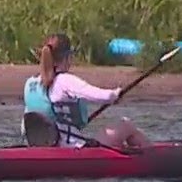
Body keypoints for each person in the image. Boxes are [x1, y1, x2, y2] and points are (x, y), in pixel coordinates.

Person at [22, 33, 150, 148]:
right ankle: (155, 155)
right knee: (125, 125)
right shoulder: (65, 81)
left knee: (118, 140)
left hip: (41, 147)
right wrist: (115, 94)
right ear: (67, 57)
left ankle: (137, 152)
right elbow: (100, 95)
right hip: (72, 148)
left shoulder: (30, 83)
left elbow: (26, 124)